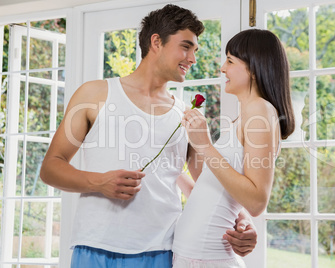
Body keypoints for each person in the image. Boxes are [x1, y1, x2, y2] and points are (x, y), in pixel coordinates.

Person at [40, 4, 257, 268]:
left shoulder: (185, 114)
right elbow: (51, 167)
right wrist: (98, 182)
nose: (192, 59)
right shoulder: (94, 94)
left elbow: (208, 184)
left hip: (161, 251)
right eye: (186, 47)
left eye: (195, 50)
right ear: (156, 42)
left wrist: (243, 218)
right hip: (94, 247)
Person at [172, 29, 295, 267]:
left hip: (208, 257)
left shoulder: (260, 110)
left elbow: (257, 201)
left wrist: (205, 146)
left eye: (230, 60)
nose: (222, 68)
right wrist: (175, 167)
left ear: (254, 68)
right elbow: (211, 189)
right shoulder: (243, 117)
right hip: (194, 255)